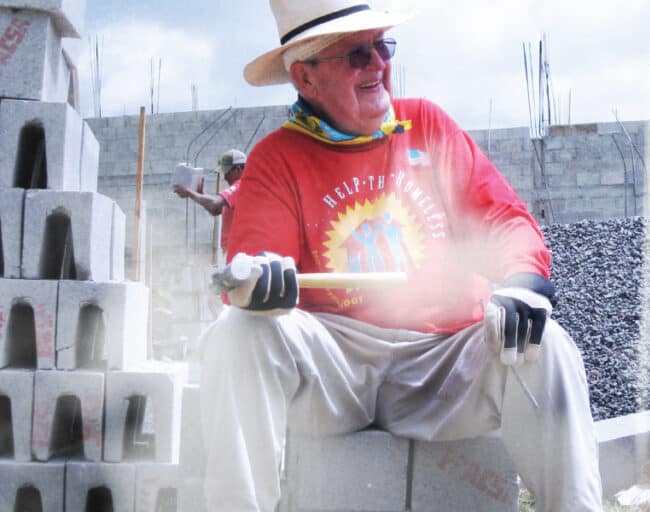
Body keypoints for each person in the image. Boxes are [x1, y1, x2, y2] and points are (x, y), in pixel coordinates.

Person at [198, 1, 603, 511]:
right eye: (356, 54)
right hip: (335, 363)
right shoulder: (277, 158)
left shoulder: (426, 126)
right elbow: (252, 267)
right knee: (237, 334)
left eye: (382, 46)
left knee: (547, 346)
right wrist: (257, 282)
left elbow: (503, 220)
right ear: (306, 77)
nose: (377, 63)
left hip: (443, 358)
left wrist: (522, 281)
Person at [172, 149, 246, 250]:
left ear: (238, 169)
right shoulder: (242, 187)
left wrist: (188, 192)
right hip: (235, 249)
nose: (225, 177)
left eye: (227, 172)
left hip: (239, 250)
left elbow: (214, 204)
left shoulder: (241, 186)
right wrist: (200, 194)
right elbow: (216, 210)